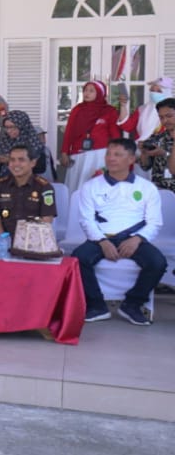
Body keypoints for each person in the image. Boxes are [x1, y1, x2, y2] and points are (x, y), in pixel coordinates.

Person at [72, 139, 165, 326]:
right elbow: (86, 220)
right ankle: (96, 305)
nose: (111, 158)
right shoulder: (91, 186)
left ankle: (132, 304)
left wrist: (137, 239)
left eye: (118, 155)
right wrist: (102, 241)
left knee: (158, 263)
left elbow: (155, 222)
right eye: (108, 154)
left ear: (131, 159)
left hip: (134, 237)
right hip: (101, 237)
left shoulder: (146, 187)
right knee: (78, 259)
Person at [59, 79, 124, 195]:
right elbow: (69, 132)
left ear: (100, 93)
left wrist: (117, 153)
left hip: (100, 155)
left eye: (91, 91)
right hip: (79, 154)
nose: (87, 93)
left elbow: (115, 134)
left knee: (99, 188)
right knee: (78, 189)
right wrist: (64, 152)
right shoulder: (77, 110)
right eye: (85, 90)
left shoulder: (109, 111)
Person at [0, 144, 56, 237]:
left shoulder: (44, 188)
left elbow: (46, 222)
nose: (16, 164)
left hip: (34, 241)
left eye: (21, 160)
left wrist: (25, 243)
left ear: (33, 163)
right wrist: (5, 242)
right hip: (5, 241)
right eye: (12, 160)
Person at [0, 109, 48, 181]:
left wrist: (11, 160)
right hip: (4, 183)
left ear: (22, 126)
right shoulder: (4, 141)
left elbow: (40, 168)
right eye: (6, 127)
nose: (8, 131)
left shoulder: (33, 144)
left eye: (12, 127)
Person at [136, 97, 175, 193]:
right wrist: (144, 153)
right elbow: (145, 167)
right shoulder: (157, 138)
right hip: (160, 192)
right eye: (161, 117)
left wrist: (164, 154)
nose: (165, 120)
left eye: (169, 116)